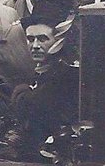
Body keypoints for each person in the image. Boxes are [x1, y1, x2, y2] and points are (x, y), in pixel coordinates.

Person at [11, 14, 80, 151]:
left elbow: (31, 105)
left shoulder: (66, 74)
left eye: (43, 39)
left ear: (58, 41)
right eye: (30, 39)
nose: (35, 46)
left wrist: (21, 91)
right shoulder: (39, 72)